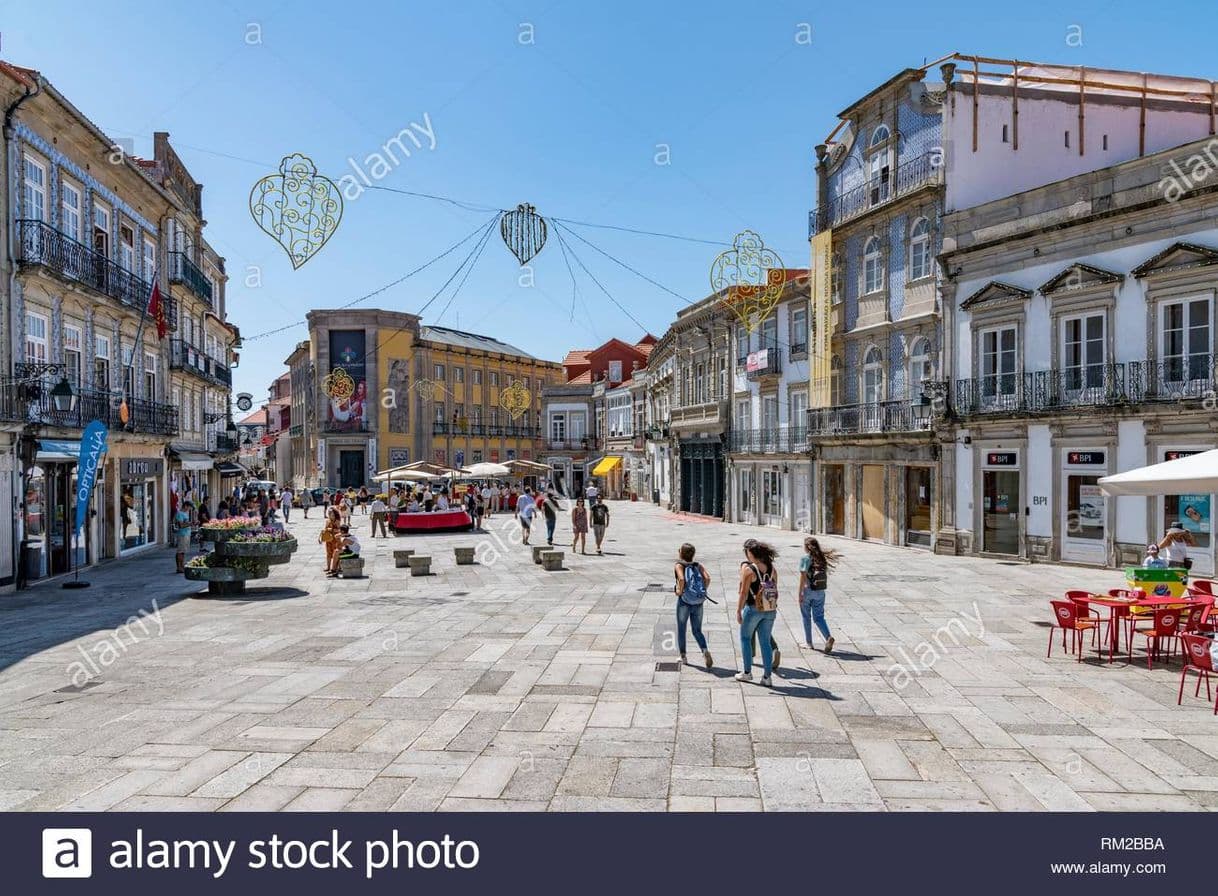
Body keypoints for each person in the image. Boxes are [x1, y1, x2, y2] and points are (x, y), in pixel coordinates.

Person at [736, 539, 779, 687]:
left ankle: (747, 673)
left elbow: (743, 592)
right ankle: (767, 677)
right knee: (765, 642)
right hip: (770, 610)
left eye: (748, 552)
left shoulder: (749, 570)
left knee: (745, 638)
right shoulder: (772, 568)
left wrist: (738, 611)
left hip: (753, 609)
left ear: (752, 554)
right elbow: (774, 589)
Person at [674, 543, 713, 668]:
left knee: (681, 628)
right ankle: (704, 650)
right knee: (697, 630)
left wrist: (679, 591)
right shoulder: (698, 565)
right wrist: (701, 592)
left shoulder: (679, 565)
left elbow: (681, 580)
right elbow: (707, 578)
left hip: (684, 601)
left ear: (681, 553)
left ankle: (683, 656)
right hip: (698, 602)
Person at [798, 536, 838, 654]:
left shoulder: (805, 558)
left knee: (806, 617)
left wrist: (800, 593)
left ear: (807, 547)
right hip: (820, 592)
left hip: (808, 591)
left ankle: (809, 643)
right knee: (819, 617)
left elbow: (803, 577)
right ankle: (827, 637)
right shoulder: (821, 559)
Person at [173, 499, 193, 574]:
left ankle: (181, 565)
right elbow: (181, 525)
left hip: (186, 534)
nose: (189, 509)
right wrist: (190, 524)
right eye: (189, 507)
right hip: (182, 534)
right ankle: (179, 567)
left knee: (183, 551)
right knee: (180, 551)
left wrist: (192, 523)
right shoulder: (179, 513)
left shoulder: (185, 513)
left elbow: (186, 523)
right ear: (185, 506)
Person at [320, 507, 342, 573]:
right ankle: (328, 567)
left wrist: (331, 530)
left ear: (335, 514)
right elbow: (325, 528)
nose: (330, 515)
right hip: (329, 539)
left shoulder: (337, 521)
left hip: (336, 539)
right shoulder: (327, 521)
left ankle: (338, 567)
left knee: (336, 553)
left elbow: (339, 530)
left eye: (331, 513)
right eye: (329, 513)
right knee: (328, 553)